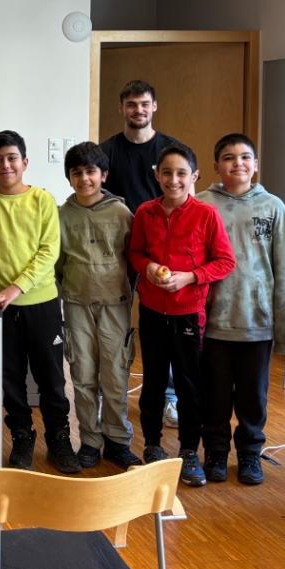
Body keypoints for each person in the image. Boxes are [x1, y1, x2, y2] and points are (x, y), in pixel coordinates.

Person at [127, 142, 235, 488]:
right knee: (154, 382)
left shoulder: (206, 214)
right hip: (152, 312)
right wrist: (149, 267)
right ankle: (153, 446)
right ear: (156, 175)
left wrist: (190, 277)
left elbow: (225, 261)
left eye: (181, 173)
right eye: (167, 173)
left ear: (195, 176)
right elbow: (135, 254)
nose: (174, 180)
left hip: (189, 314)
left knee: (189, 385)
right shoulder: (145, 212)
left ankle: (189, 450)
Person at [0, 131, 78, 473]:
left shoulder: (43, 200)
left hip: (41, 302)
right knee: (9, 378)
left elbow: (49, 252)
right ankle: (21, 436)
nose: (6, 165)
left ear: (25, 162)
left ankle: (59, 439)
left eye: (12, 158)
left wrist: (14, 289)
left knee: (51, 377)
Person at [196, 133, 285, 486]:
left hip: (257, 321)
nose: (237, 163)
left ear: (255, 165)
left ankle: (251, 453)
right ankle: (216, 452)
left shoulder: (273, 208)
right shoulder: (202, 204)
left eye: (244, 157)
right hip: (214, 321)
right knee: (215, 394)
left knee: (253, 396)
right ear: (215, 166)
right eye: (228, 157)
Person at [100, 79, 183, 430]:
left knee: (168, 326)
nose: (138, 110)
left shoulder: (171, 150)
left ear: (155, 107)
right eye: (132, 104)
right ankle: (110, 394)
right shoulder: (107, 152)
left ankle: (170, 397)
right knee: (114, 323)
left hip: (163, 252)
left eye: (145, 104)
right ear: (122, 108)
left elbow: (185, 197)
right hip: (118, 251)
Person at [57, 141, 142, 471]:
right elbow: (56, 263)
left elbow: (134, 260)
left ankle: (118, 440)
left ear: (103, 175)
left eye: (90, 171)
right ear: (69, 178)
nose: (84, 179)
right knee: (82, 374)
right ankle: (90, 441)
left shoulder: (121, 214)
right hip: (76, 304)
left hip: (114, 305)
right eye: (76, 173)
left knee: (115, 373)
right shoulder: (62, 215)